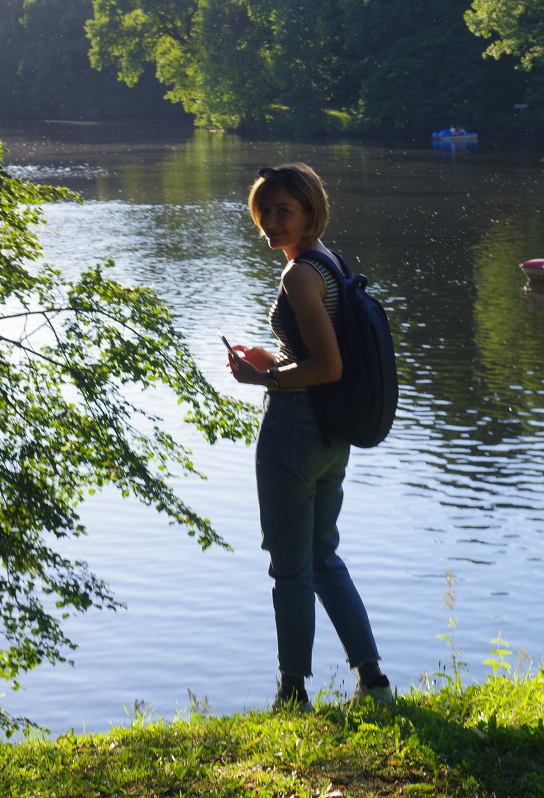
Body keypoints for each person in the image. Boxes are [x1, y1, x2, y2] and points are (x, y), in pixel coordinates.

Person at [226, 163, 392, 712]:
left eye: (283, 211)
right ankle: (373, 681)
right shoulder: (330, 262)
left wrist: (264, 377)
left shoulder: (299, 275)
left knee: (290, 567)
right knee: (323, 558)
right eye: (264, 211)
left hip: (295, 431)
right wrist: (275, 360)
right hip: (330, 434)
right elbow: (317, 359)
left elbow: (329, 366)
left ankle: (293, 694)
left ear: (309, 211)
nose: (271, 222)